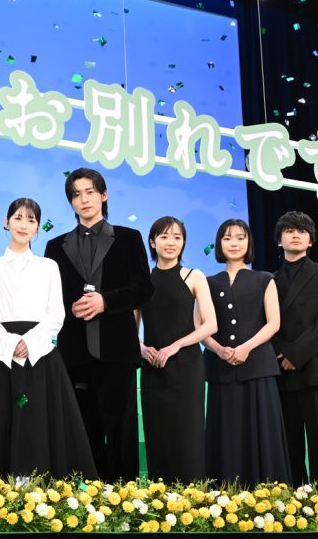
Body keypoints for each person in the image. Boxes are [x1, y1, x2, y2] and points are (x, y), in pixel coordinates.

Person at [0, 198, 97, 479]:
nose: (24, 225)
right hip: (2, 357)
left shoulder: (48, 266)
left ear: (37, 228)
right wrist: (9, 342)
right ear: (6, 222)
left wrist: (30, 342)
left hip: (42, 358)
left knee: (41, 424)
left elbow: (56, 314)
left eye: (31, 220)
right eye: (18, 218)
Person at [43, 168, 153, 481]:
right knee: (81, 429)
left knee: (122, 431)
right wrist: (70, 306)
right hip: (75, 353)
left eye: (90, 192)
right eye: (76, 194)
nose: (84, 199)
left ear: (103, 195)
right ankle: (84, 497)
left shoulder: (129, 238)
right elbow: (49, 296)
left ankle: (124, 497)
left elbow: (144, 289)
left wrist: (105, 301)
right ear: (71, 202)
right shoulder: (55, 245)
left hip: (117, 350)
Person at [203, 219, 290, 486]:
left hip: (258, 369)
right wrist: (218, 349)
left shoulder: (265, 279)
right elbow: (199, 325)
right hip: (220, 370)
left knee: (263, 433)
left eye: (240, 238)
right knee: (225, 434)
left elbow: (273, 323)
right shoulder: (207, 282)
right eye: (227, 238)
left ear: (249, 243)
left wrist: (245, 348)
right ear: (219, 243)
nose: (234, 243)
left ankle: (268, 495)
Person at [136, 216, 216, 485]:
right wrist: (142, 349)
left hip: (187, 367)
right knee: (157, 434)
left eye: (177, 237)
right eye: (164, 236)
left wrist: (176, 345)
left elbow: (211, 325)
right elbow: (131, 329)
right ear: (152, 242)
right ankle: (160, 499)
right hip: (153, 368)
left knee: (188, 436)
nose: (171, 242)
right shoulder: (142, 280)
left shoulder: (194, 276)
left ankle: (194, 499)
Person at [272, 211, 318, 488]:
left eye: (302, 231)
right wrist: (283, 353)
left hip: (317, 368)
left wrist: (295, 354)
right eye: (289, 231)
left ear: (311, 240)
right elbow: (266, 322)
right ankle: (292, 501)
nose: (296, 235)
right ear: (279, 240)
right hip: (282, 369)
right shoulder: (269, 279)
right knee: (289, 444)